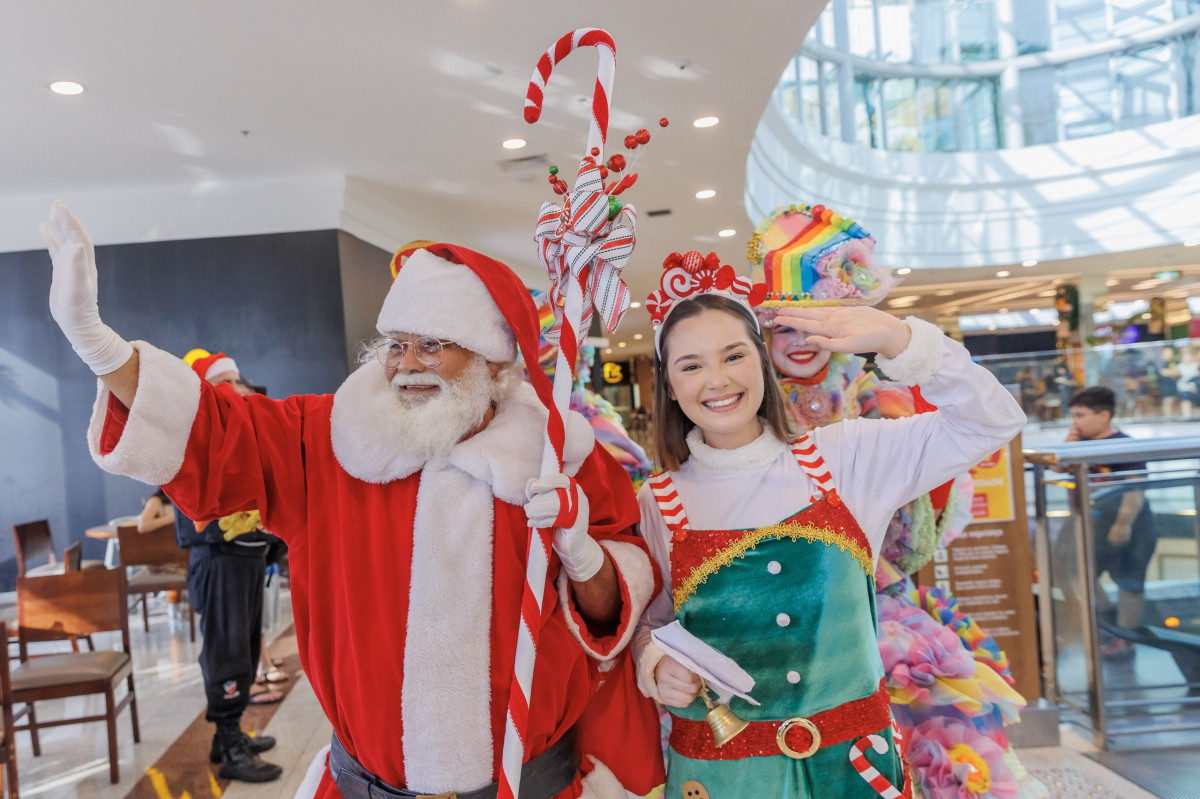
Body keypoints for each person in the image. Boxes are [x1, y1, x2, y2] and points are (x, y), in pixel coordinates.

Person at [39, 202, 662, 799]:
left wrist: (582, 552)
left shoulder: (564, 461)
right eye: (396, 344)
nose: (407, 364)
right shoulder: (328, 441)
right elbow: (216, 431)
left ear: (494, 364)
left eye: (433, 344)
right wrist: (100, 348)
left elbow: (617, 609)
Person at [631, 251, 1025, 797]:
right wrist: (654, 663)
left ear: (761, 364)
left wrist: (896, 338)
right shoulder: (657, 500)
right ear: (670, 386)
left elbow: (993, 422)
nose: (717, 380)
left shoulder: (848, 457)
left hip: (853, 769)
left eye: (734, 356)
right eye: (691, 365)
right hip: (724, 777)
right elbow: (649, 623)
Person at [168, 350, 283, 782]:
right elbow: (192, 514)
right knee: (226, 653)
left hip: (247, 558)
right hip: (220, 561)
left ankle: (227, 735)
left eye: (238, 378)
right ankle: (231, 742)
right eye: (229, 380)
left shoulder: (238, 428)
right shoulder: (193, 436)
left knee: (246, 648)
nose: (239, 387)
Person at [1065, 386, 1157, 658]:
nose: (1075, 422)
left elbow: (1134, 489)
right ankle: (1110, 621)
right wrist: (1068, 445)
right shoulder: (1079, 441)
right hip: (1094, 523)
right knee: (1077, 574)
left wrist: (1123, 523)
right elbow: (1057, 468)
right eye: (1073, 416)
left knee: (1129, 581)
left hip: (1131, 525)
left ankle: (1125, 637)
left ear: (1103, 415)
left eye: (1081, 415)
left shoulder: (1123, 444)